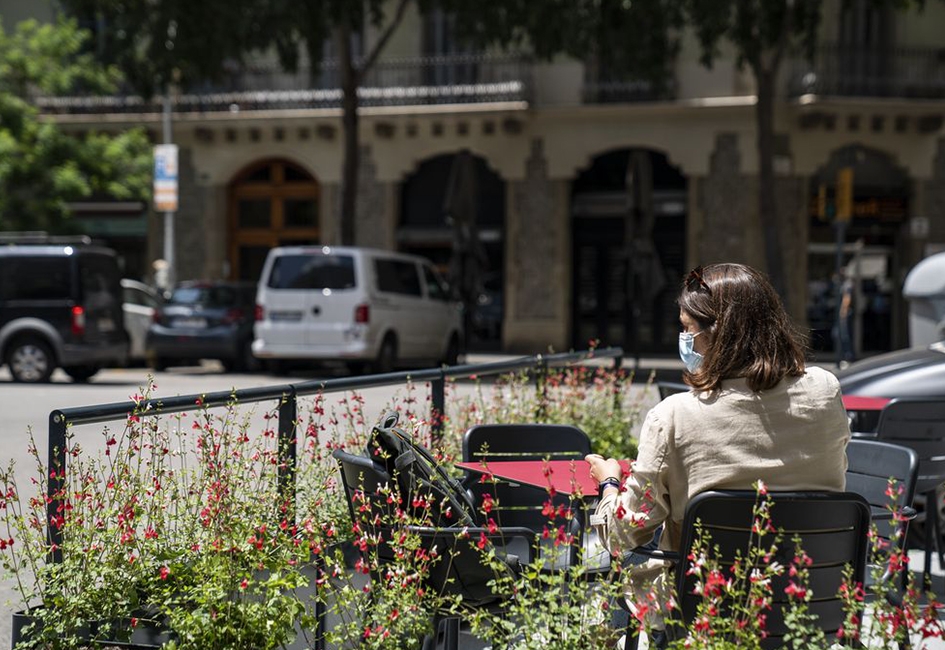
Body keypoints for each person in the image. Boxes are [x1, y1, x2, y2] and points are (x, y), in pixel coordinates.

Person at [586, 263, 850, 642]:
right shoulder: (825, 392)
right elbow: (835, 476)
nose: (683, 339)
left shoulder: (674, 416)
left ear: (717, 335)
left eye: (687, 329)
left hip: (701, 616)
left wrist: (609, 483)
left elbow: (622, 534)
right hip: (808, 606)